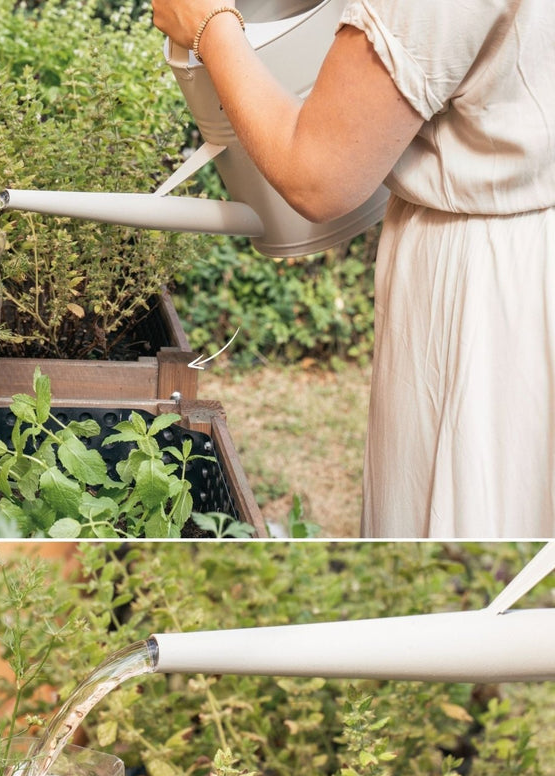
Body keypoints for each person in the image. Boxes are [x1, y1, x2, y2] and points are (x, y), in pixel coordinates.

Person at [150, 0, 555, 538]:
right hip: (531, 243)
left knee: (482, 507)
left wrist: (209, 26)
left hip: (490, 294)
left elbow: (319, 176)